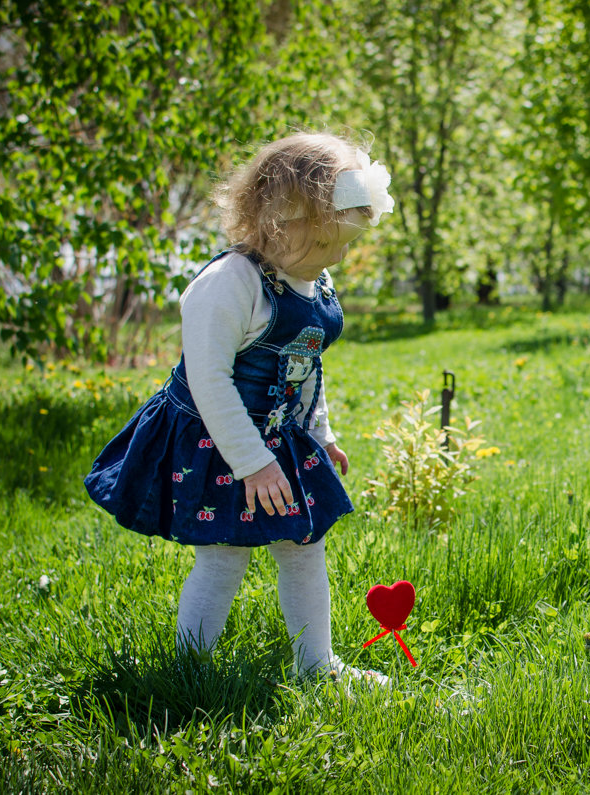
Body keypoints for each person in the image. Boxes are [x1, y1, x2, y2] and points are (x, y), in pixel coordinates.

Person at [84, 132, 393, 683]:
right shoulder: (228, 285)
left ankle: (316, 664)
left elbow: (305, 367)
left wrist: (319, 432)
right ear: (280, 222)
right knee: (224, 553)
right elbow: (209, 382)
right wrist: (251, 462)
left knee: (304, 542)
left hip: (278, 437)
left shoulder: (312, 278)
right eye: (328, 244)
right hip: (217, 438)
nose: (338, 257)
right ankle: (189, 668)